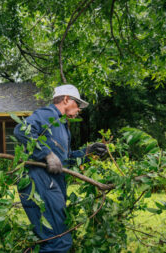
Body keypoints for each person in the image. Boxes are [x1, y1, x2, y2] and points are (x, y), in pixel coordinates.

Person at [14, 84, 107, 252]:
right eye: (77, 104)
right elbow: (21, 130)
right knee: (59, 242)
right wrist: (47, 154)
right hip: (39, 182)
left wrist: (89, 151)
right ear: (66, 99)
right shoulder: (48, 115)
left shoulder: (63, 127)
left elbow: (66, 160)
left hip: (51, 184)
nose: (79, 109)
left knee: (49, 239)